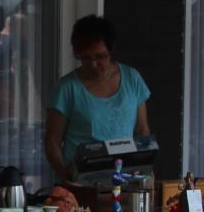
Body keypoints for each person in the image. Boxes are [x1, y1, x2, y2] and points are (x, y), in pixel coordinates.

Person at [45, 15, 150, 182]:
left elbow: (142, 130)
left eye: (100, 56)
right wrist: (64, 174)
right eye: (85, 58)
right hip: (81, 184)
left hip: (124, 180)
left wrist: (143, 167)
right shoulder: (66, 88)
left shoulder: (132, 79)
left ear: (111, 50)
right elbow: (52, 141)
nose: (93, 64)